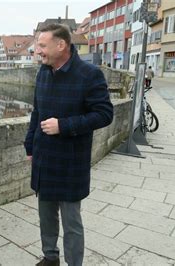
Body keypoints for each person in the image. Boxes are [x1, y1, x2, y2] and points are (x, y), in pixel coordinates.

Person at [24, 24, 113, 266]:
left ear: (61, 45)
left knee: (71, 222)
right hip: (44, 158)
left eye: (42, 45)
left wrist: (63, 125)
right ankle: (50, 257)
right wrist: (30, 145)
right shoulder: (43, 71)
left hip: (70, 161)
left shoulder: (89, 74)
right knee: (46, 215)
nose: (37, 50)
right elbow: (37, 112)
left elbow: (104, 114)